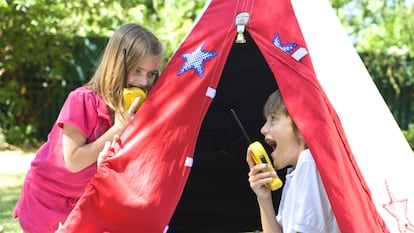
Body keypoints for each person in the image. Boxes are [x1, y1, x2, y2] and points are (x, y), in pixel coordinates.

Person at [13, 23, 163, 233]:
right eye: (137, 71)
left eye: (151, 74)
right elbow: (74, 161)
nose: (143, 81)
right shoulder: (82, 101)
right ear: (117, 66)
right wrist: (118, 129)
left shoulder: (134, 110)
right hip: (49, 198)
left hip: (86, 199)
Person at [246, 90, 340, 233]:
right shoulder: (294, 174)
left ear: (302, 126)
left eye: (273, 119)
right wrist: (263, 197)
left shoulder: (308, 162)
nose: (263, 129)